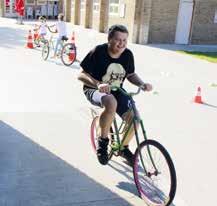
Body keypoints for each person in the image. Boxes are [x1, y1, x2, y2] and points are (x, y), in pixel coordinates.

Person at [78, 24, 153, 166]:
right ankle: (103, 142)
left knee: (135, 119)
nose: (122, 43)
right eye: (118, 39)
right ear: (109, 40)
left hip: (117, 90)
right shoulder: (98, 51)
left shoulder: (128, 55)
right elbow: (81, 74)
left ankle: (122, 148)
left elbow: (130, 74)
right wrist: (98, 84)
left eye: (125, 40)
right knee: (111, 102)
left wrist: (142, 84)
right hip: (93, 89)